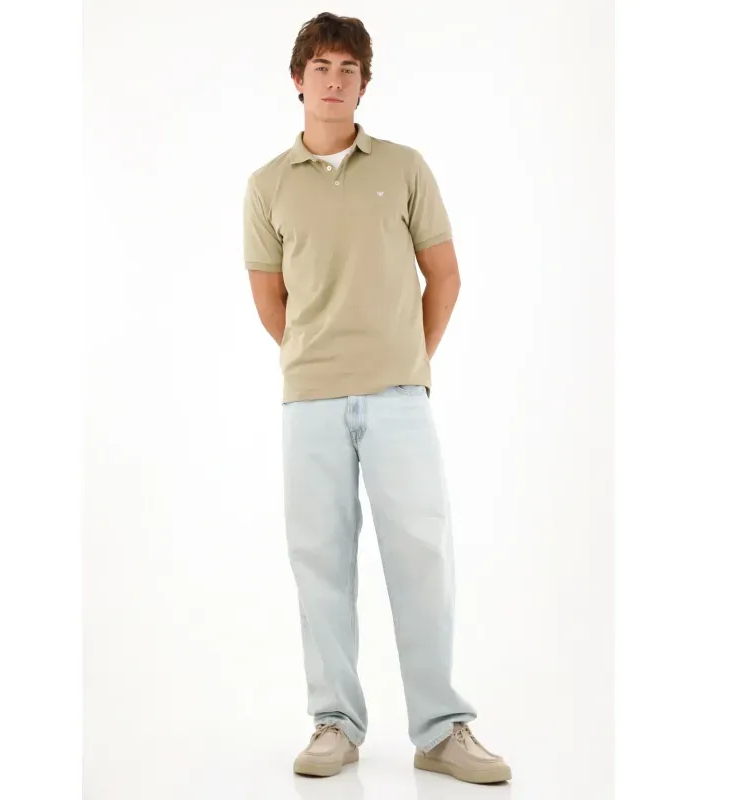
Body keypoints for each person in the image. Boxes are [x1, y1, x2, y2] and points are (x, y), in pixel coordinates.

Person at [242, 11, 512, 786]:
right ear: (298, 80)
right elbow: (270, 299)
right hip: (311, 402)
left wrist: (406, 359)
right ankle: (334, 723)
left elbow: (445, 274)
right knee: (319, 563)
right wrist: (318, 358)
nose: (334, 81)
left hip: (399, 396)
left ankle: (441, 729)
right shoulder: (267, 185)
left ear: (363, 84)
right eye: (321, 67)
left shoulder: (405, 166)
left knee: (422, 558)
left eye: (348, 70)